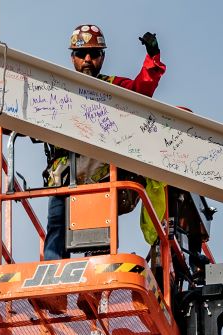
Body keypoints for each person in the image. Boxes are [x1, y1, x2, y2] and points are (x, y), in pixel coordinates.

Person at [41, 23, 164, 260]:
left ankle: (97, 294)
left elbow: (141, 89)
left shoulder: (113, 87)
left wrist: (152, 57)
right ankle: (54, 293)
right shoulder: (58, 92)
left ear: (102, 57)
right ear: (72, 57)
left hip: (103, 179)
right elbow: (26, 114)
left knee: (99, 248)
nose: (87, 59)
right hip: (64, 180)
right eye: (81, 54)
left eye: (94, 54)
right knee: (55, 240)